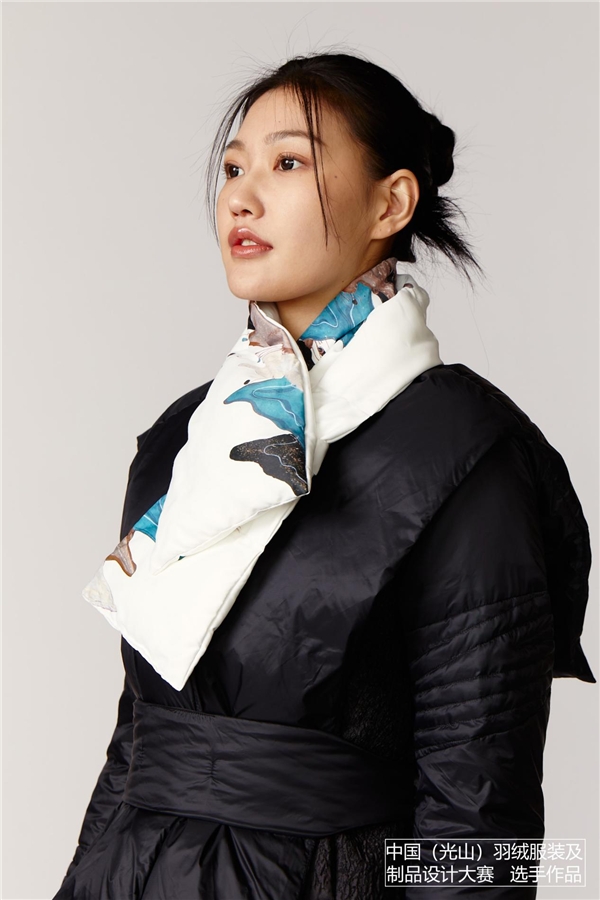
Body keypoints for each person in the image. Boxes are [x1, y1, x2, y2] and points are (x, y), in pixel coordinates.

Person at [54, 51, 595, 900]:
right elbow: (137, 745)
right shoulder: (186, 441)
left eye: (288, 163)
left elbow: (481, 811)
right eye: (234, 168)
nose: (241, 196)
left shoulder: (465, 451)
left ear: (391, 204)